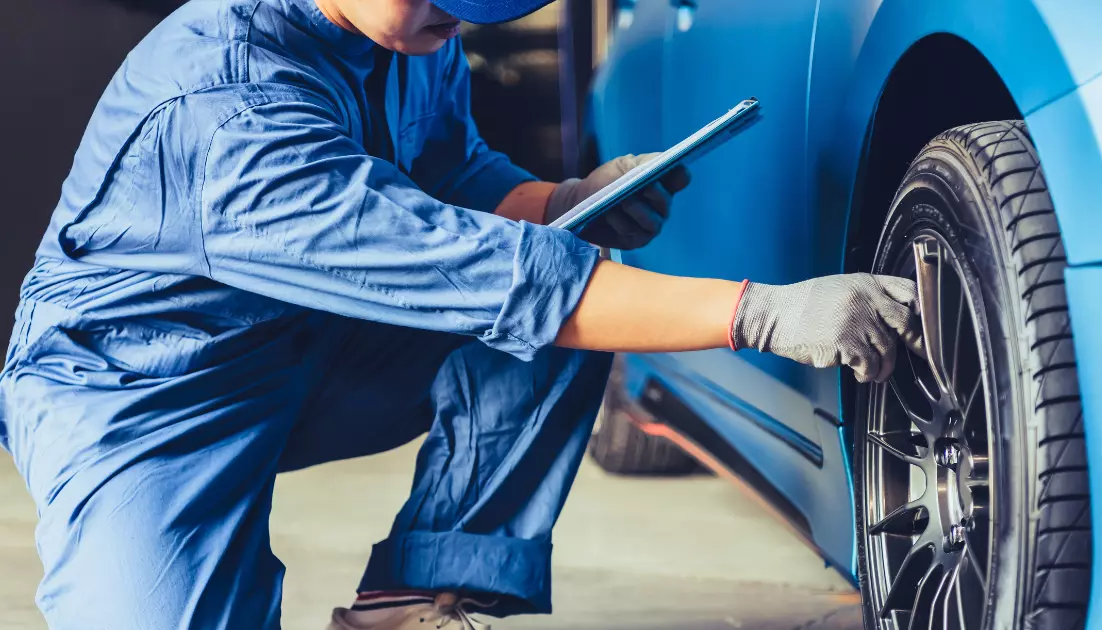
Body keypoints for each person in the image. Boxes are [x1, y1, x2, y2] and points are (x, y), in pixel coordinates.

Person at [0, 0, 923, 628]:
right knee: (546, 296)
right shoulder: (228, 106)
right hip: (145, 397)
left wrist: (562, 201)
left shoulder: (411, 36)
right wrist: (760, 314)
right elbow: (493, 278)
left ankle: (415, 602)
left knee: (565, 284)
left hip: (316, 346)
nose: (454, 19)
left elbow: (454, 178)